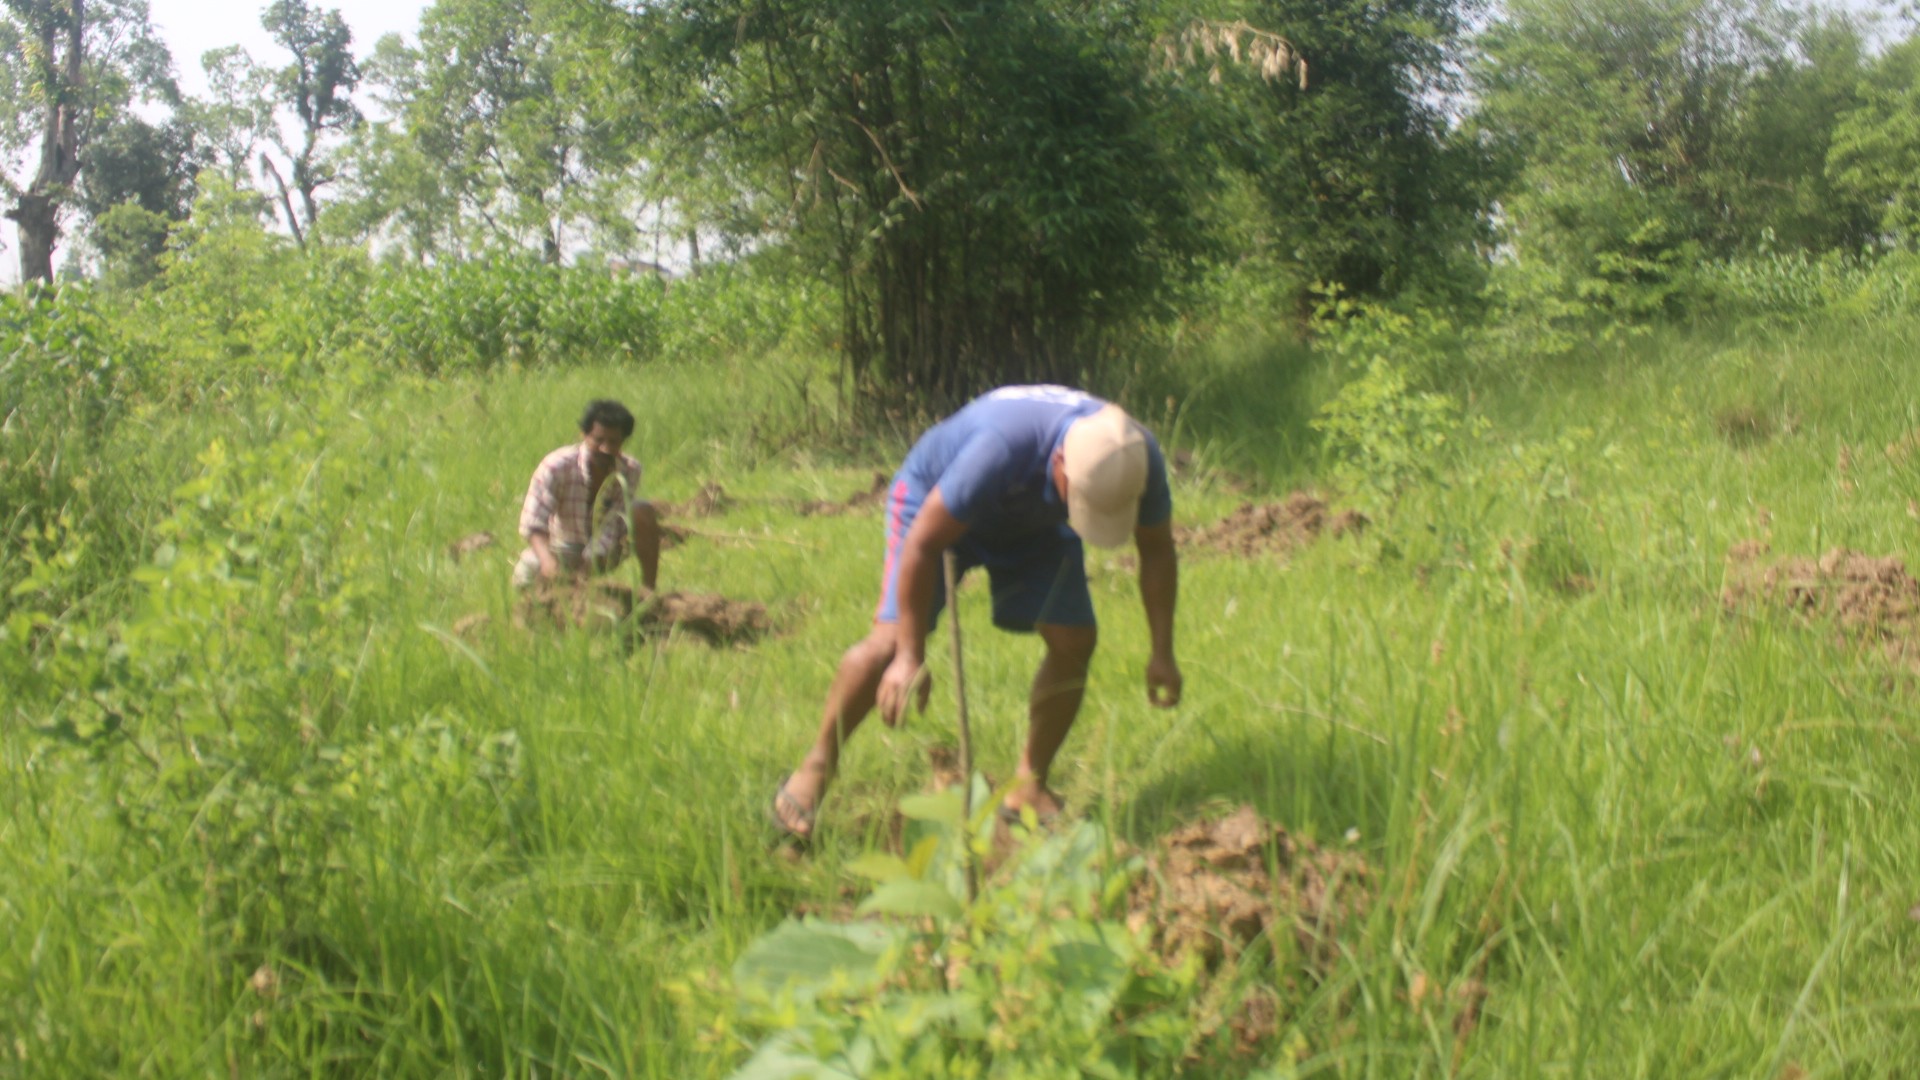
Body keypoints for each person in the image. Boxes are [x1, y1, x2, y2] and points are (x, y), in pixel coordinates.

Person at [772, 384, 1182, 841]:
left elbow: (1157, 550)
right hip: (934, 501)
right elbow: (923, 543)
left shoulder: (1134, 456)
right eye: (1085, 505)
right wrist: (910, 655)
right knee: (888, 644)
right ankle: (816, 767)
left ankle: (1028, 787)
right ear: (1061, 463)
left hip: (1034, 518)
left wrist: (1162, 652)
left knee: (1075, 640)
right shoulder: (1000, 447)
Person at [514, 399, 662, 591]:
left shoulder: (629, 470)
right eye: (598, 440)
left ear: (623, 441)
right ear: (584, 435)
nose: (605, 449)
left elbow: (612, 524)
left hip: (606, 548)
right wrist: (548, 562)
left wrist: (588, 566)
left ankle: (648, 593)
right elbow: (533, 522)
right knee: (526, 575)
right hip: (563, 546)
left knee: (642, 511)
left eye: (613, 442)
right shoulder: (557, 466)